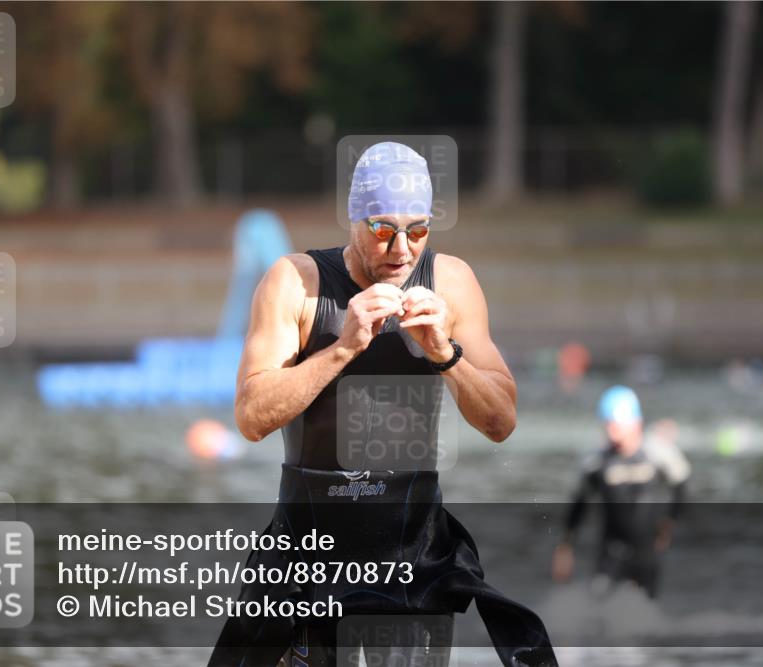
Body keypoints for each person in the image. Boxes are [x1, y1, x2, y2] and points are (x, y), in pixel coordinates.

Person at [209, 142, 557, 667]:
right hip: (308, 561)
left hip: (412, 560)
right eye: (382, 229)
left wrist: (445, 354)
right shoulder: (297, 282)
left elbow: (501, 421)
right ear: (354, 219)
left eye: (417, 231)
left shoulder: (451, 282)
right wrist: (342, 348)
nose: (401, 249)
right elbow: (251, 417)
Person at [551, 385, 690, 599]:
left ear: (636, 423)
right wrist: (565, 547)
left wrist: (669, 524)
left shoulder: (658, 452)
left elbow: (681, 487)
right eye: (608, 425)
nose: (612, 431)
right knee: (600, 603)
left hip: (647, 551)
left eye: (617, 425)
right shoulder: (596, 461)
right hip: (611, 550)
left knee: (642, 608)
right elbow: (578, 505)